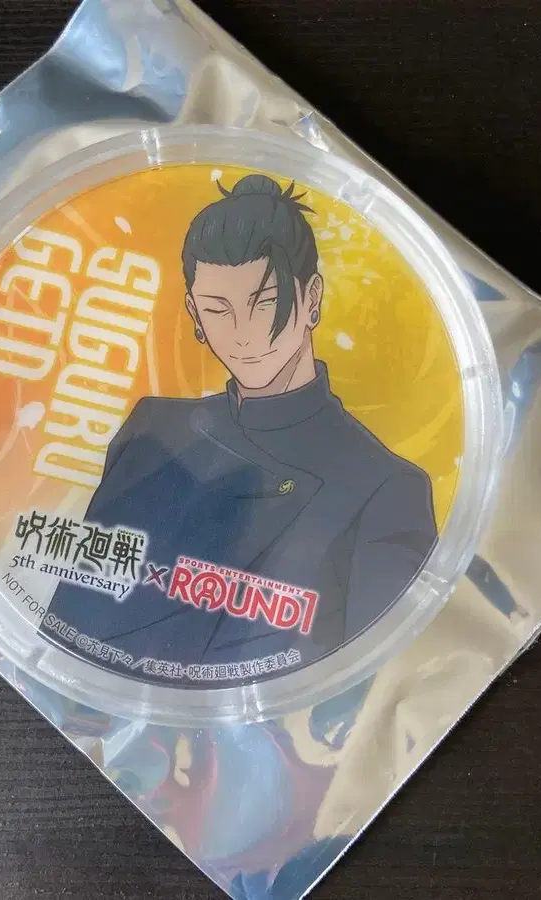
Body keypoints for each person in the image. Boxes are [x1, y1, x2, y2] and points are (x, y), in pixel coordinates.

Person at [42, 174, 438, 676]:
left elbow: (371, 680)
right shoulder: (153, 427)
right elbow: (78, 603)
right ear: (194, 312)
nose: (243, 334)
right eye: (217, 309)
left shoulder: (386, 488)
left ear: (312, 298)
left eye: (265, 302)